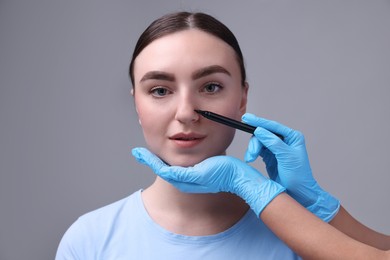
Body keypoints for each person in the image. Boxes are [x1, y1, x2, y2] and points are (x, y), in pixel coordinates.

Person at [56, 11, 390, 259]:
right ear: (136, 104)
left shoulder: (309, 242)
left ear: (242, 99)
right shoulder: (89, 241)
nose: (186, 112)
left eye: (211, 86)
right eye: (159, 90)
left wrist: (320, 208)